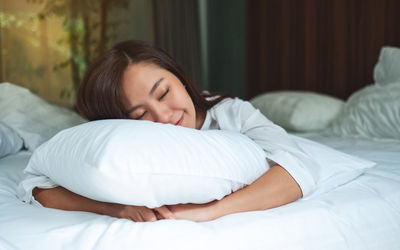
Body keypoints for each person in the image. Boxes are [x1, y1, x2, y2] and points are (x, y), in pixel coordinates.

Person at [32, 40, 319, 222]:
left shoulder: (230, 114)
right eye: (140, 114)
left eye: (164, 92)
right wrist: (116, 209)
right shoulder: (120, 144)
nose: (165, 116)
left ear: (179, 76)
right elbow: (39, 189)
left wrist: (211, 211)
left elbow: (298, 168)